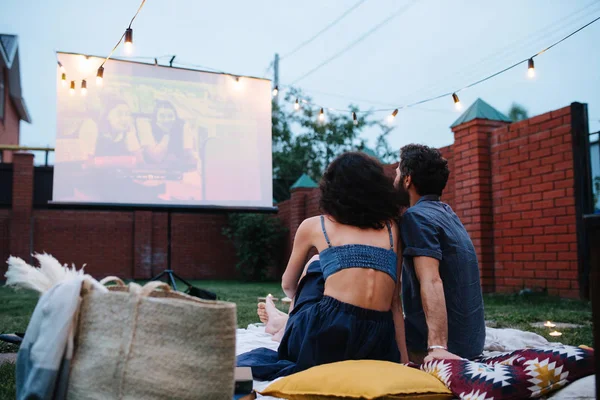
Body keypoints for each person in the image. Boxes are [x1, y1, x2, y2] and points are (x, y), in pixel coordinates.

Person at [237, 152, 408, 380]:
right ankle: (281, 321)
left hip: (327, 336)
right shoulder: (392, 229)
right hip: (377, 337)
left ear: (332, 190)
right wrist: (403, 362)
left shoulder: (316, 226)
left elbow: (288, 286)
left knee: (316, 265)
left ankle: (281, 320)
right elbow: (395, 304)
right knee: (325, 272)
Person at [394, 144, 485, 363]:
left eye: (397, 173)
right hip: (471, 342)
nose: (394, 180)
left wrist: (437, 348)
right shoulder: (447, 213)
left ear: (407, 180)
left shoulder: (416, 218)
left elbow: (431, 279)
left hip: (450, 346)